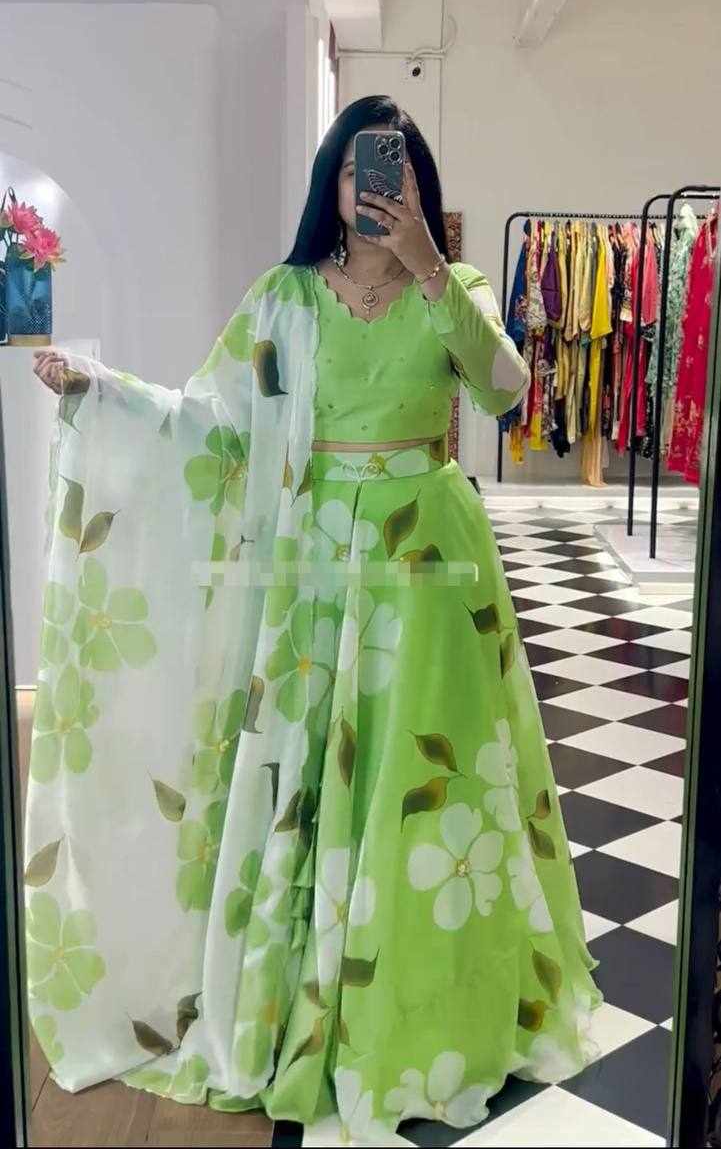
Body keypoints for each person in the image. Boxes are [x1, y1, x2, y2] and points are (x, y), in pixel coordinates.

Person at [28, 94, 601, 1145]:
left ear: (418, 183)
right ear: (329, 186)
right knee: (310, 765)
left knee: (428, 773)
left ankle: (432, 1002)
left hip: (431, 554)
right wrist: (100, 393)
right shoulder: (284, 297)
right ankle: (307, 981)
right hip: (317, 554)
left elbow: (506, 392)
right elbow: (212, 421)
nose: (372, 187)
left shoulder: (458, 288)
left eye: (394, 169)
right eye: (355, 170)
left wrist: (429, 266)